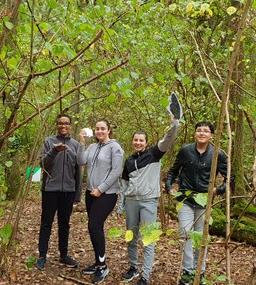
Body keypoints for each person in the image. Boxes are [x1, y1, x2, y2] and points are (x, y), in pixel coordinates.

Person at [165, 121, 234, 285]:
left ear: (211, 135)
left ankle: (200, 272)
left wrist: (219, 190)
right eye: (199, 131)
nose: (202, 133)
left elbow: (230, 177)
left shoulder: (218, 154)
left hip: (205, 202)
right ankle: (187, 272)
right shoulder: (185, 151)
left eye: (206, 131)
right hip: (185, 200)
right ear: (195, 134)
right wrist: (169, 187)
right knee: (185, 234)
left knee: (202, 239)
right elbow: (173, 171)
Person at [117, 115, 180, 285]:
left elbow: (168, 139)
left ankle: (145, 275)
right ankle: (132, 267)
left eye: (141, 140)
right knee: (131, 236)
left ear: (146, 142)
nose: (138, 142)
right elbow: (123, 185)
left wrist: (175, 123)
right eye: (135, 140)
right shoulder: (129, 161)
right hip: (131, 201)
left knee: (149, 238)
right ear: (133, 142)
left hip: (149, 201)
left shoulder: (154, 154)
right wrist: (120, 206)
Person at [77, 119, 124, 284]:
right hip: (90, 193)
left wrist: (101, 188)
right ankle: (98, 262)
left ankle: (103, 266)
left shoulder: (115, 147)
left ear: (109, 130)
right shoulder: (92, 147)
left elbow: (116, 171)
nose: (100, 131)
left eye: (103, 128)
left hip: (107, 194)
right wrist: (82, 142)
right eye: (97, 129)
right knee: (95, 228)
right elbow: (80, 161)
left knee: (94, 225)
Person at [35, 113, 82, 270]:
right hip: (50, 189)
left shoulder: (75, 144)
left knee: (64, 224)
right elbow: (42, 163)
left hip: (68, 191)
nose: (63, 126)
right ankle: (42, 255)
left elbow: (78, 170)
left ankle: (64, 255)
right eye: (61, 123)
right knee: (46, 223)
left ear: (70, 125)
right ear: (57, 124)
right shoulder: (48, 142)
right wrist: (54, 151)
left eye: (66, 123)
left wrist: (77, 194)